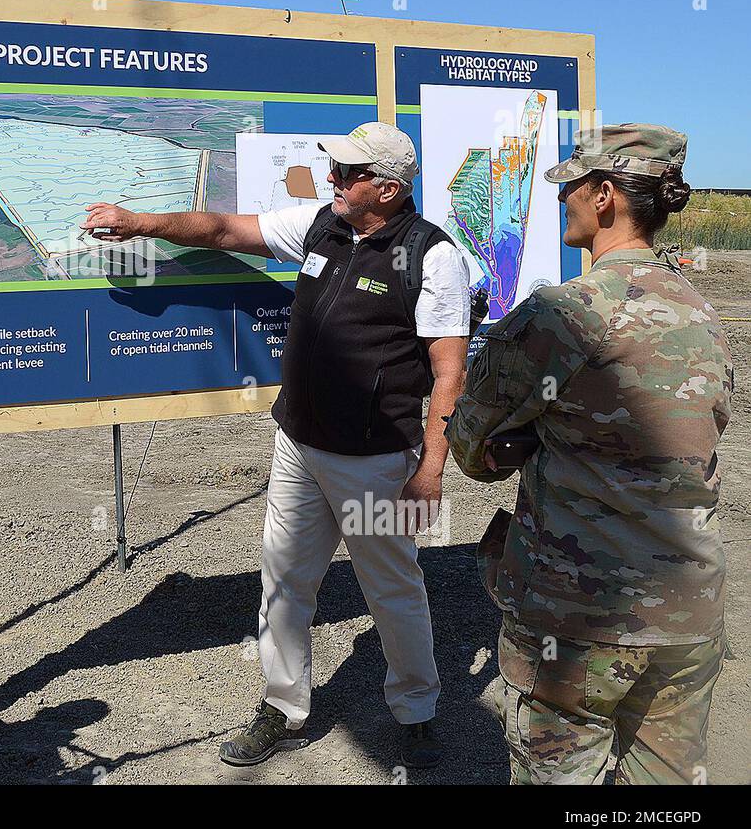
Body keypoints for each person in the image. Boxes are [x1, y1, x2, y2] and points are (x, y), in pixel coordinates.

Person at [84, 121, 471, 768]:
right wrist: (140, 222)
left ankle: (416, 712)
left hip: (376, 461)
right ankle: (283, 706)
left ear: (388, 188)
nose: (332, 179)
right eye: (335, 168)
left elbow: (449, 371)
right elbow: (223, 231)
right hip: (299, 445)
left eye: (348, 172)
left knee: (391, 588)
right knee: (285, 581)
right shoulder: (322, 226)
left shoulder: (431, 257)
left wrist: (431, 469)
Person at [447, 124, 733, 785]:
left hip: (578, 620)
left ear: (604, 195)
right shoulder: (702, 312)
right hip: (688, 614)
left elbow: (471, 448)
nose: (561, 199)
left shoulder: (560, 314)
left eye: (572, 186)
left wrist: (522, 437)